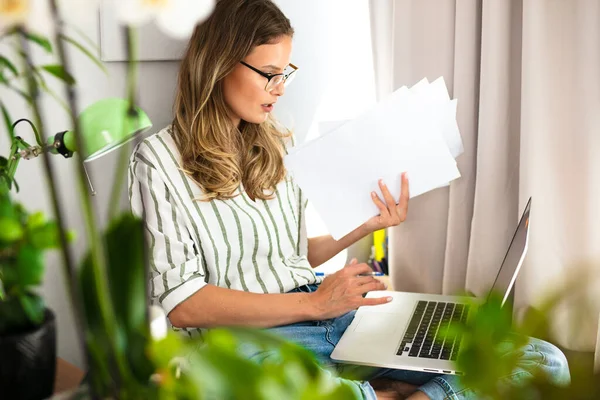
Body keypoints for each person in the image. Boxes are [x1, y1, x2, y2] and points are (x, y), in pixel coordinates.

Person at [128, 0, 570, 398]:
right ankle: (385, 392)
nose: (281, 88)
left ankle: (397, 394)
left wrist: (364, 227)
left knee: (545, 362)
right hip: (251, 340)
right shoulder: (158, 162)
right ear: (219, 64)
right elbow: (185, 305)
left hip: (326, 315)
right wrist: (314, 304)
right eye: (269, 74)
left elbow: (291, 253)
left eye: (286, 72)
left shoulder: (274, 145)